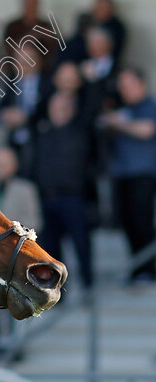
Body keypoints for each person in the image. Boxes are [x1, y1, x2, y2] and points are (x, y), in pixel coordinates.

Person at [0, 147, 42, 357]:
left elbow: (35, 222)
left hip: (16, 257)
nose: (0, 169)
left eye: (4, 164)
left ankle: (16, 346)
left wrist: (12, 231)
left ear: (14, 166)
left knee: (17, 302)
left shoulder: (26, 189)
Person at [32, 93, 94, 294]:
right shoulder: (42, 134)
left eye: (64, 107)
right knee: (51, 249)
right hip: (47, 197)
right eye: (56, 107)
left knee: (81, 244)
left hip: (73, 197)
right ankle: (57, 293)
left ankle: (88, 286)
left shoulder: (81, 132)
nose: (59, 112)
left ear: (72, 110)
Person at [99, 68, 156, 284]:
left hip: (143, 174)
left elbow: (147, 130)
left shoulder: (148, 105)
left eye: (129, 85)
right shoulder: (122, 108)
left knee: (141, 221)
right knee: (127, 221)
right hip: (121, 173)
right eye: (122, 86)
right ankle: (138, 267)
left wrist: (116, 122)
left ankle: (148, 270)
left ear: (141, 84)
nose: (125, 90)